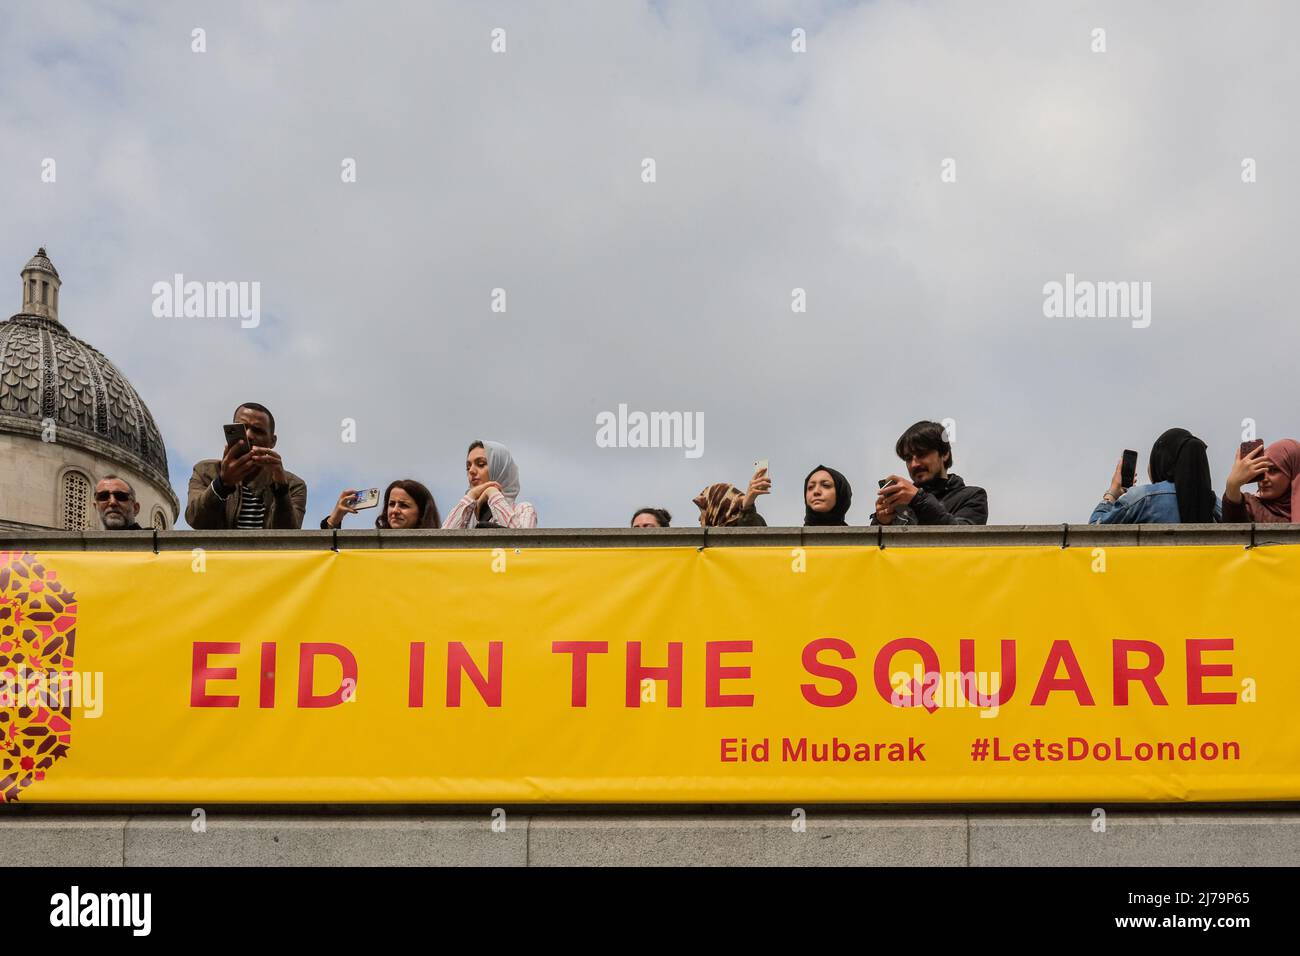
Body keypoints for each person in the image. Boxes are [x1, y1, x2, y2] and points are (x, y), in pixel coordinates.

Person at [186, 402, 307, 529]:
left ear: (272, 441)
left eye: (258, 431)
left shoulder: (293, 485)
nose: (248, 435)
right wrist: (222, 484)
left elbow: (288, 539)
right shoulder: (206, 471)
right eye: (241, 428)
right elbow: (195, 520)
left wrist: (281, 490)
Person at [1090, 427, 1221, 524]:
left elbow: (1094, 531)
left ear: (1161, 461)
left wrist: (1112, 493)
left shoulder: (1142, 498)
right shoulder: (1212, 502)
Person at [873, 421, 987, 525]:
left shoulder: (973, 496)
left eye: (922, 454)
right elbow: (871, 546)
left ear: (945, 454)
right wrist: (881, 522)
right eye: (908, 458)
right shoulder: (900, 503)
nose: (914, 464)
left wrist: (918, 500)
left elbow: (962, 539)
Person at [442, 440, 538, 529]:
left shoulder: (523, 510)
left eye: (481, 464)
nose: (471, 471)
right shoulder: (466, 516)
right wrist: (471, 495)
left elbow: (520, 543)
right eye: (468, 467)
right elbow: (440, 542)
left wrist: (492, 493)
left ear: (500, 469)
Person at [1222, 439, 1300, 523]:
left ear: (1293, 473)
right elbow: (1235, 522)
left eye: (1273, 470)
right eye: (1261, 470)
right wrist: (1232, 485)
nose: (1263, 479)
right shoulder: (1250, 505)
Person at [321, 480, 441, 530]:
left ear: (422, 512)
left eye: (403, 505)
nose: (395, 510)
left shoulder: (437, 551)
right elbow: (331, 553)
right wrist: (335, 519)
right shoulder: (373, 546)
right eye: (391, 504)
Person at [694, 465, 770, 527]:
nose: (699, 518)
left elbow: (750, 532)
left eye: (703, 511)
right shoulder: (704, 542)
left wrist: (747, 507)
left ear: (718, 508)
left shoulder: (751, 521)